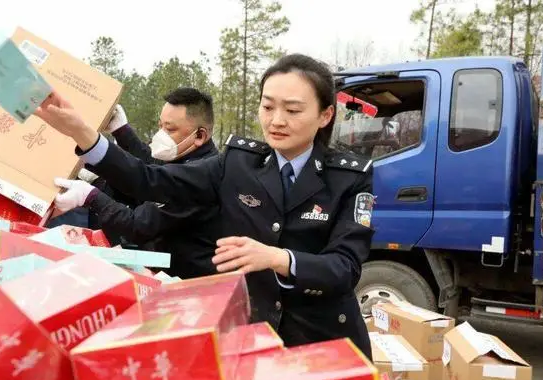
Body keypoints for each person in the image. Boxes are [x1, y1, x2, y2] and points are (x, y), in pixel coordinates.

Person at [35, 54, 375, 358]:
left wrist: (277, 258)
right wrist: (85, 136)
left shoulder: (349, 178)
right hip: (253, 339)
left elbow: (344, 268)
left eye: (293, 110)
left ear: (325, 115)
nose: (276, 120)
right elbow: (151, 180)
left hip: (326, 345)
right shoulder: (238, 164)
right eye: (268, 107)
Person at [52, 88, 222, 279]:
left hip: (187, 283)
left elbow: (137, 224)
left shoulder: (199, 178)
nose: (161, 135)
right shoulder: (187, 157)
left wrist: (92, 196)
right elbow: (151, 168)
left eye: (170, 129)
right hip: (167, 270)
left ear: (200, 135)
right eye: (161, 126)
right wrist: (122, 132)